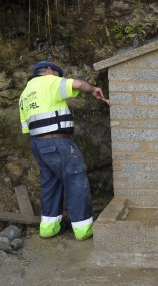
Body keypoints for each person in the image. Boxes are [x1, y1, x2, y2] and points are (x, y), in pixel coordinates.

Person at [19, 61, 105, 240]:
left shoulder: (25, 94)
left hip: (37, 144)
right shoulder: (49, 81)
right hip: (57, 142)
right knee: (75, 180)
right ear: (49, 71)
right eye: (57, 74)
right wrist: (93, 89)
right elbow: (79, 84)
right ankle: (83, 230)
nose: (58, 78)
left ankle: (48, 228)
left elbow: (26, 128)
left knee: (50, 183)